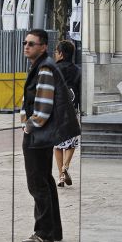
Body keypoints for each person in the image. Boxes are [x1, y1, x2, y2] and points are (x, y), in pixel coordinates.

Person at [20, 29, 80, 242]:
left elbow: (43, 107)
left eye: (32, 44)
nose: (27, 46)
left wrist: (29, 125)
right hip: (44, 134)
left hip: (38, 133)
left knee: (37, 183)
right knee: (45, 179)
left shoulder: (44, 68)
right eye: (25, 43)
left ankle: (44, 231)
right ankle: (53, 230)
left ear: (43, 46)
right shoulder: (43, 65)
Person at [52, 40, 81, 188]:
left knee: (57, 145)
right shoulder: (78, 70)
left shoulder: (53, 69)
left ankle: (60, 177)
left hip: (57, 111)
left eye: (56, 52)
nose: (55, 54)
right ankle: (65, 168)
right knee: (71, 143)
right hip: (72, 110)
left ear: (61, 54)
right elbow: (81, 92)